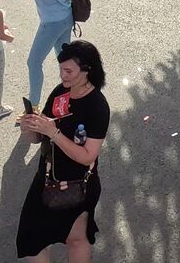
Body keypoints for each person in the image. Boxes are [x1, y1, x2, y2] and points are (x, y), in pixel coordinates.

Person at [17, 40, 110, 262]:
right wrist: (29, 128)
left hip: (77, 185)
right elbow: (38, 138)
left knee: (76, 239)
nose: (62, 76)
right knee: (32, 240)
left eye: (68, 71)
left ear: (87, 70)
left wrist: (54, 133)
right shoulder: (61, 92)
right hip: (47, 179)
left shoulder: (97, 106)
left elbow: (88, 156)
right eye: (60, 69)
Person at [23, 0, 76, 105]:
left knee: (34, 62)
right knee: (65, 61)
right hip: (67, 18)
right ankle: (71, 95)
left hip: (51, 24)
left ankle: (33, 104)